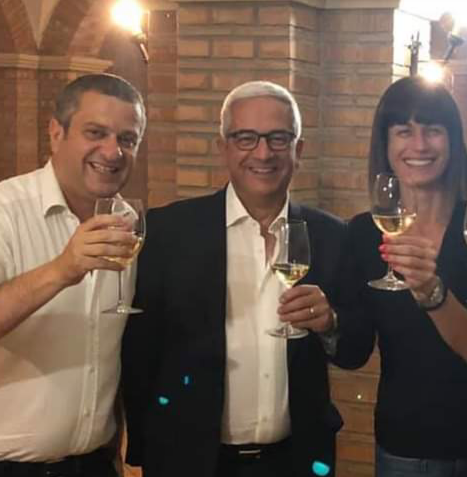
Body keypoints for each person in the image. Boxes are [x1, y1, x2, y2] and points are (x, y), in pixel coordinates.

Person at [121, 81, 345, 477]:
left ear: (299, 150)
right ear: (223, 147)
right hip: (188, 463)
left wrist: (330, 325)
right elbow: (140, 351)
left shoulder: (331, 236)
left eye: (278, 138)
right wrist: (142, 446)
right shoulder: (169, 232)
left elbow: (353, 350)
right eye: (246, 138)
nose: (263, 153)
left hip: (296, 463)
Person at [329, 76, 467, 477]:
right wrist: (327, 323)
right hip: (407, 442)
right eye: (404, 131)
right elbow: (355, 351)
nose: (419, 145)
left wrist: (430, 289)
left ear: (452, 141)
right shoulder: (363, 234)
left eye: (433, 130)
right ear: (386, 145)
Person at [0, 73, 147, 477]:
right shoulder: (6, 211)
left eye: (128, 139)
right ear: (56, 133)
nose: (113, 151)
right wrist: (63, 269)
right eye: (95, 133)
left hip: (95, 465)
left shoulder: (129, 223)